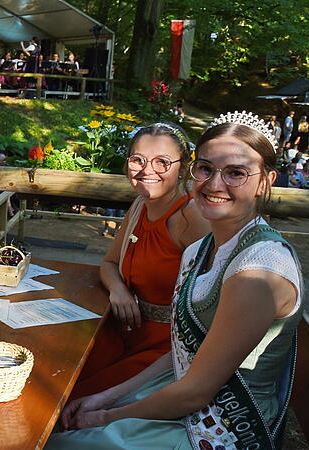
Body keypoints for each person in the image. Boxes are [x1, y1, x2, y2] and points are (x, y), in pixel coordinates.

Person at [50, 111, 303, 450]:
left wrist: (106, 417)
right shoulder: (201, 249)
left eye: (236, 173)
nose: (214, 184)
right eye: (206, 168)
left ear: (265, 181)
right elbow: (186, 351)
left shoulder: (259, 272)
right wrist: (107, 399)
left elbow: (195, 392)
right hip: (178, 387)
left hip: (222, 425)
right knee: (60, 413)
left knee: (60, 441)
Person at [71, 122, 210, 399]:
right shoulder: (139, 206)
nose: (147, 170)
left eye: (162, 162)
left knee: (79, 397)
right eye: (138, 160)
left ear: (182, 168)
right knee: (63, 370)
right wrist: (118, 290)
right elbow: (109, 264)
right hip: (125, 330)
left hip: (166, 348)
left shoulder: (192, 217)